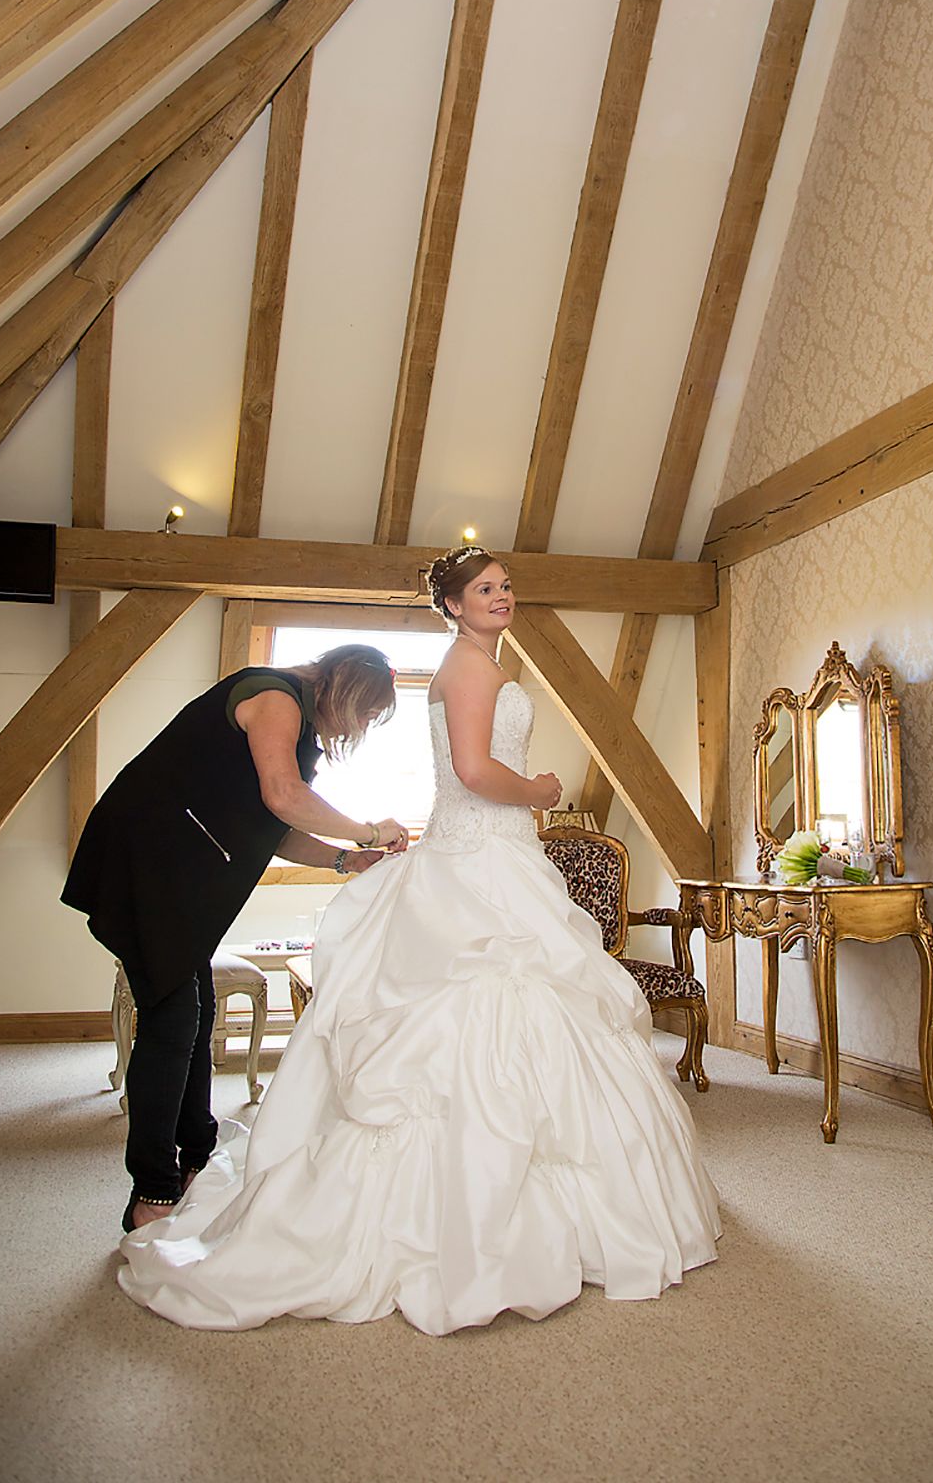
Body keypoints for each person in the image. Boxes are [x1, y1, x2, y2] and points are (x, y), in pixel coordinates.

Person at [116, 549, 720, 1334]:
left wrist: (352, 855)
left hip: (496, 855)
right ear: (454, 606)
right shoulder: (465, 668)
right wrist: (540, 791)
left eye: (506, 586)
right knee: (480, 1013)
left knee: (522, 1015)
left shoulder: (478, 666)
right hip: (482, 854)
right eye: (484, 589)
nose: (501, 596)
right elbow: (472, 771)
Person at [62, 646, 406, 1233]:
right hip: (147, 860)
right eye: (367, 713)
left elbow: (276, 828)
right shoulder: (275, 697)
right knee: (172, 1021)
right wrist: (369, 829)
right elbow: (284, 796)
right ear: (345, 691)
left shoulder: (298, 724)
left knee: (196, 1012)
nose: (363, 726)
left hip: (178, 875)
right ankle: (151, 1190)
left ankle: (196, 1155)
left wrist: (347, 860)